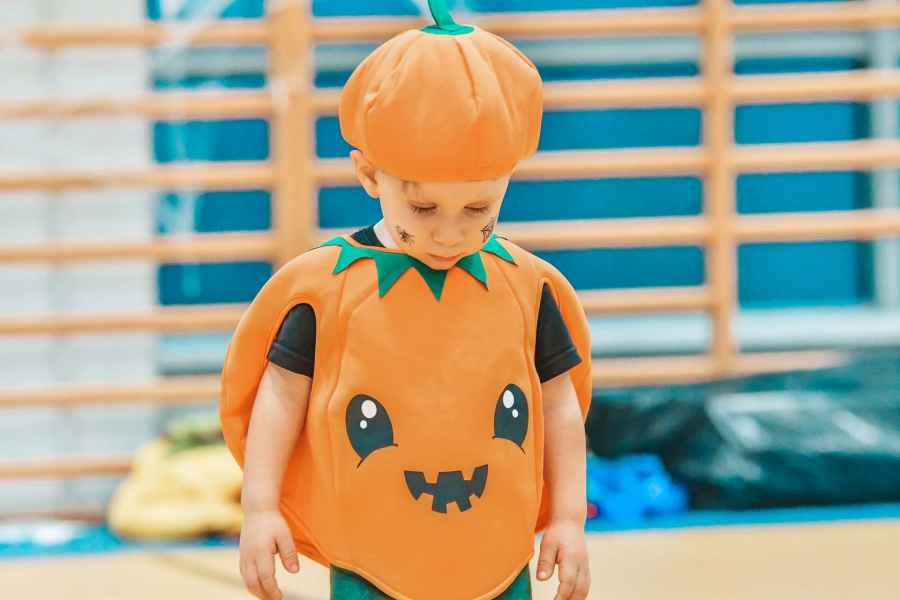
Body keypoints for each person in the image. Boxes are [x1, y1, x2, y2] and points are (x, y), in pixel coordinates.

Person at [220, 2, 593, 598]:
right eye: (423, 208)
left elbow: (558, 405)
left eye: (478, 209)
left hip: (498, 558)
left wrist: (568, 518)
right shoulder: (328, 290)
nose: (449, 233)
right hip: (370, 561)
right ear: (370, 175)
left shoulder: (526, 288)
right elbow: (282, 394)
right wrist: (260, 508)